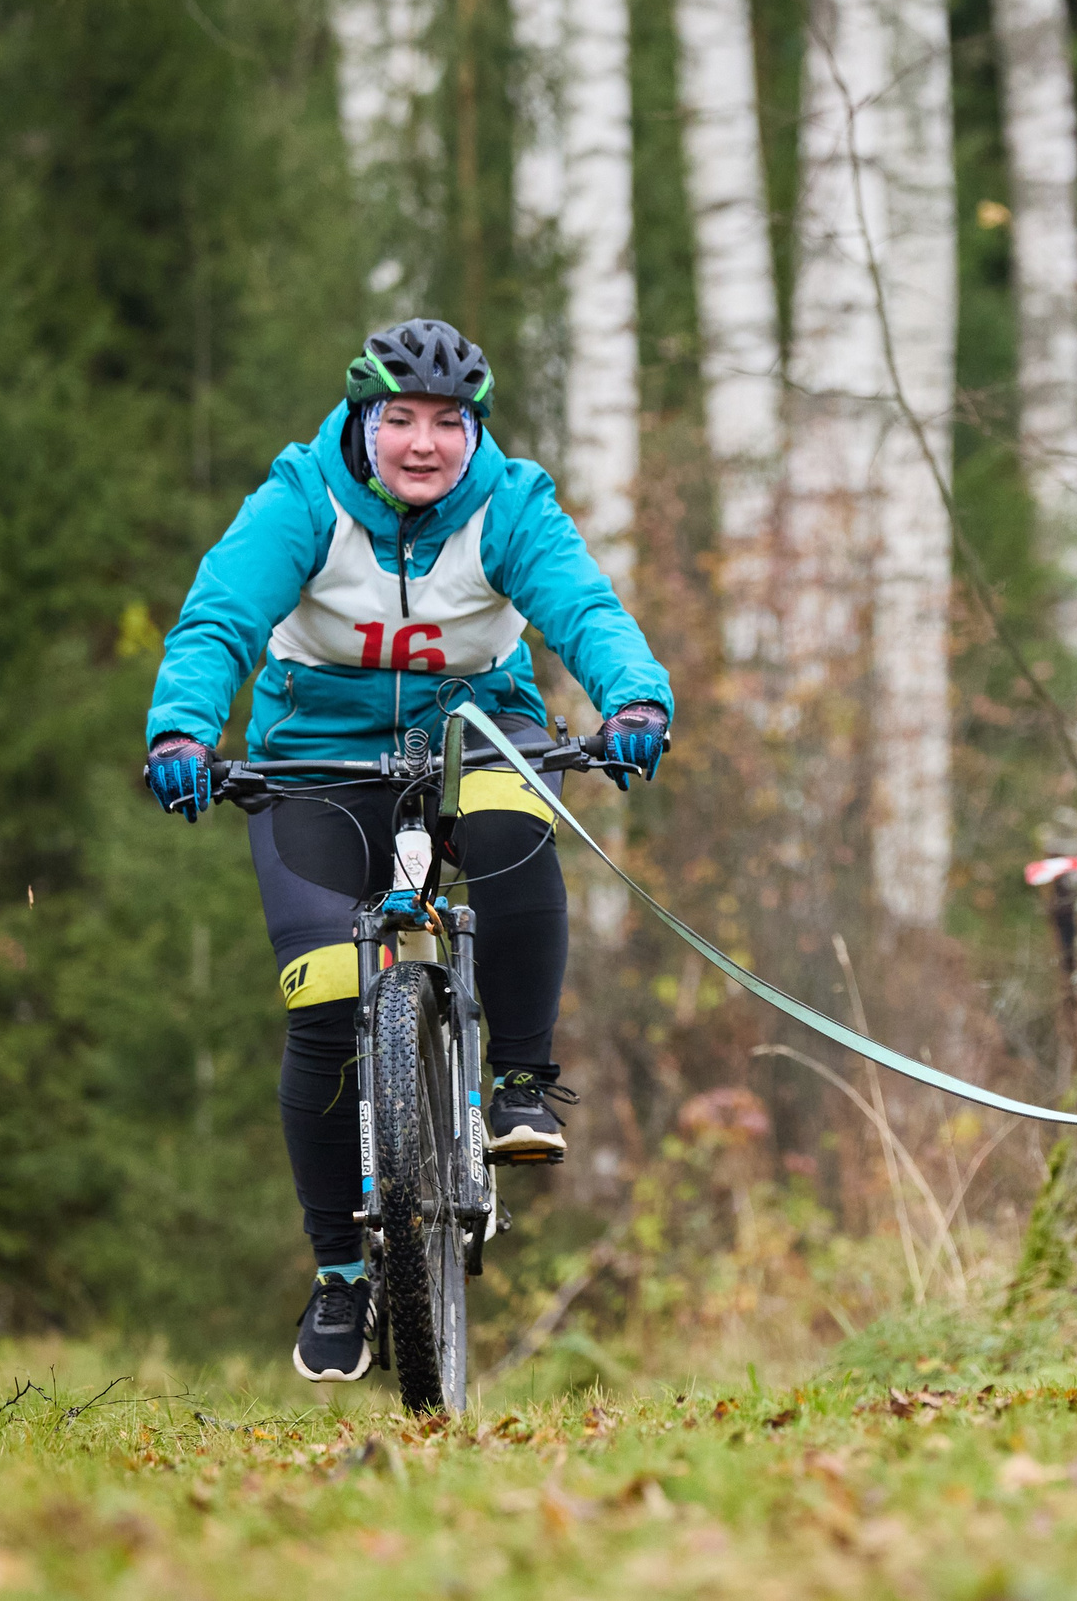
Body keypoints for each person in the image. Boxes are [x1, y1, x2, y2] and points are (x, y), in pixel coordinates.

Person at [141, 319, 672, 1383]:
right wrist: (184, 727)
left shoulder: (511, 503)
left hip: (477, 725)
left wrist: (633, 697)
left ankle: (521, 1080)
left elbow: (584, 609)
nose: (423, 444)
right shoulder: (299, 499)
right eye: (401, 419)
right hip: (314, 758)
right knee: (327, 1001)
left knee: (517, 820)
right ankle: (341, 1270)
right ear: (363, 420)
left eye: (447, 422)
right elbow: (218, 621)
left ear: (476, 428)